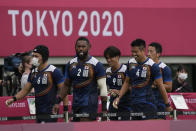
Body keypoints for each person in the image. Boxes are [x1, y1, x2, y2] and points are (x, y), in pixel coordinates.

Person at [113, 38, 172, 120]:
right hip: (133, 104)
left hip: (148, 104)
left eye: (136, 52)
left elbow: (161, 86)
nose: (134, 54)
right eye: (132, 52)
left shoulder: (153, 66)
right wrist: (118, 97)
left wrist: (167, 104)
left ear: (143, 50)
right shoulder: (130, 63)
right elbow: (127, 82)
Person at [5, 45, 65, 123]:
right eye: (32, 56)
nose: (33, 58)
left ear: (43, 57)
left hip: (51, 112)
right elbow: (25, 90)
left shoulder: (54, 71)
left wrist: (65, 108)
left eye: (36, 56)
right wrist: (13, 99)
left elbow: (64, 90)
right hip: (38, 112)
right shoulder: (33, 73)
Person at [56, 37, 108, 122]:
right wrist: (57, 102)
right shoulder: (70, 64)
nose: (81, 49)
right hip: (75, 104)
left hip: (89, 104)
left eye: (83, 46)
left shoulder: (96, 64)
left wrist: (104, 109)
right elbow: (66, 85)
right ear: (75, 47)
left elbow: (103, 87)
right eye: (78, 46)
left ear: (89, 47)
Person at [104, 46, 131, 120]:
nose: (109, 60)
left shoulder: (125, 70)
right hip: (113, 105)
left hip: (126, 104)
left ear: (117, 57)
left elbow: (133, 88)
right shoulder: (107, 71)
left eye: (111, 58)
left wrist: (119, 92)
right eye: (107, 58)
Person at [147, 42, 172, 119]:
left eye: (151, 51)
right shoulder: (145, 67)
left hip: (160, 103)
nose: (148, 54)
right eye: (147, 51)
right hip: (147, 103)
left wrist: (158, 84)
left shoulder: (165, 68)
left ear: (158, 54)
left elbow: (169, 87)